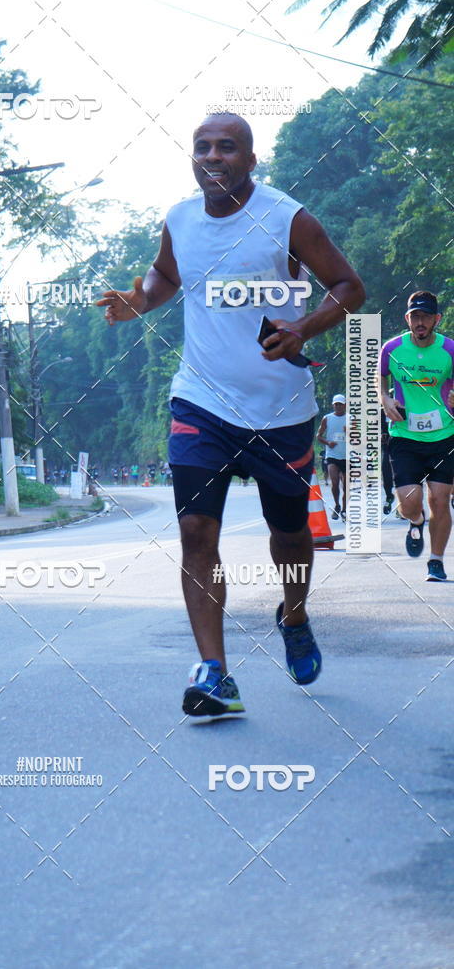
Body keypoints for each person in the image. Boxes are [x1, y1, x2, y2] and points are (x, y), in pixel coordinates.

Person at [97, 113, 365, 717]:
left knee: (290, 536)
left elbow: (349, 287)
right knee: (196, 531)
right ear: (192, 158)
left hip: (282, 411)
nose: (212, 156)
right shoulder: (180, 220)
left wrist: (302, 328)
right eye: (202, 148)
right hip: (202, 401)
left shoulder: (286, 218)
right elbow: (166, 275)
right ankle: (214, 673)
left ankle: (294, 615)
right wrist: (138, 300)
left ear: (250, 159)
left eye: (227, 147)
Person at [380, 290, 454, 582]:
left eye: (425, 316)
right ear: (407, 319)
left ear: (436, 319)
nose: (420, 322)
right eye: (415, 316)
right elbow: (380, 377)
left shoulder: (449, 349)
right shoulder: (392, 348)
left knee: (440, 499)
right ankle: (416, 520)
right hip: (405, 435)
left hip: (444, 435)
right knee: (410, 501)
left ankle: (435, 561)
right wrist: (384, 399)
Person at [316, 394, 347, 521]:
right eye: (336, 404)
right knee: (334, 483)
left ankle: (344, 510)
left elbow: (358, 438)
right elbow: (319, 436)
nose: (338, 406)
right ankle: (337, 505)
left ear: (345, 405)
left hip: (347, 457)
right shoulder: (327, 418)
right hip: (332, 455)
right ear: (333, 405)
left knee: (346, 486)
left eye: (340, 404)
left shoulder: (351, 418)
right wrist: (328, 443)